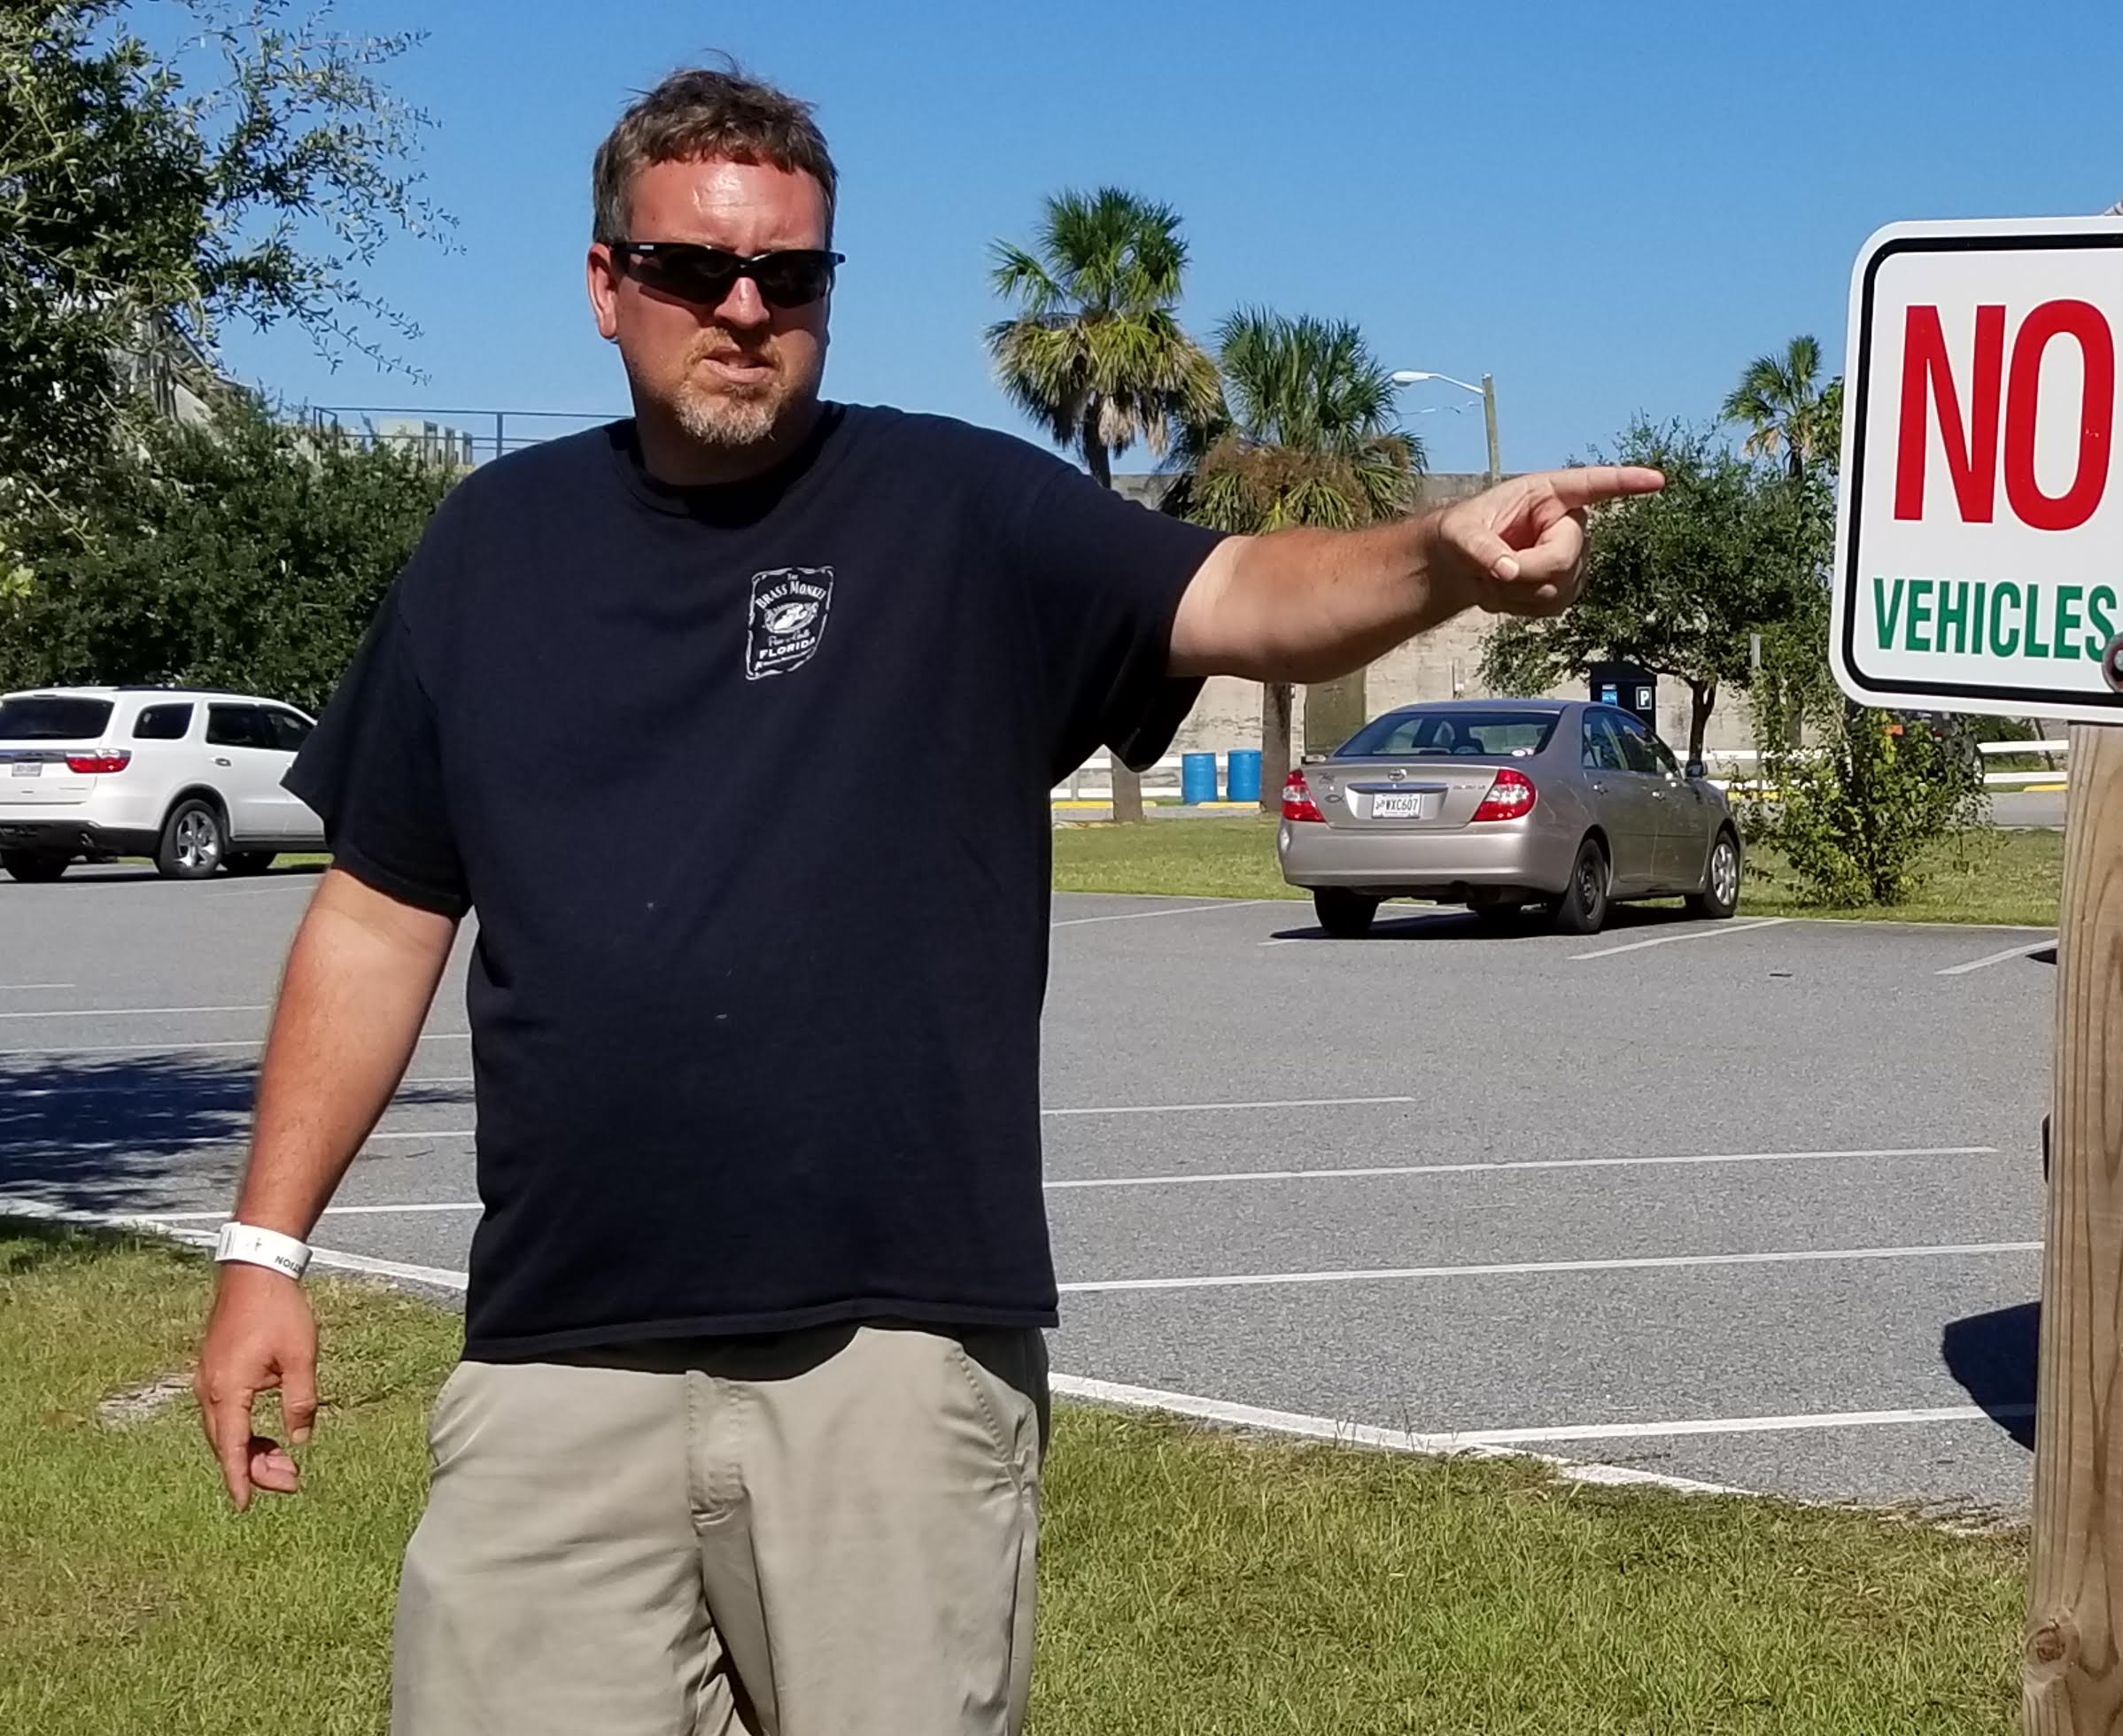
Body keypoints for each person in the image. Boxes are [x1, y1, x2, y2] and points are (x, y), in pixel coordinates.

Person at [187, 66, 1655, 1736]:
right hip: (557, 1361)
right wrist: (263, 1248)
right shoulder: (488, 550)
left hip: (892, 1361)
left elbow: (1241, 589)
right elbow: (380, 915)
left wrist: (1441, 558)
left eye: (790, 277)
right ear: (609, 286)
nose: (744, 309)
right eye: (691, 270)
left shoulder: (959, 514)